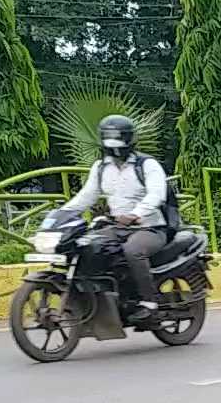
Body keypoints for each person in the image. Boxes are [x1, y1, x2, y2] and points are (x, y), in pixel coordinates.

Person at [60, 114, 168, 322]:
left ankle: (150, 302)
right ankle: (103, 298)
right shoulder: (101, 168)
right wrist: (62, 213)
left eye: (118, 138)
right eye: (109, 138)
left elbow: (157, 194)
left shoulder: (147, 164)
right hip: (117, 225)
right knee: (87, 245)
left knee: (133, 251)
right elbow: (86, 196)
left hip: (150, 227)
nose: (114, 144)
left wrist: (136, 214)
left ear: (129, 139)